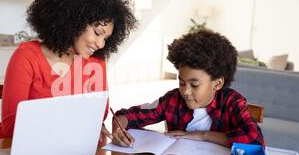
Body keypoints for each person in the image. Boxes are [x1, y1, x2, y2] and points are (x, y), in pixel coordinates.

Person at [0, 0, 137, 141]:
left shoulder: (95, 61)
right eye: (97, 32)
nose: (101, 44)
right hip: (12, 150)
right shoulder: (27, 57)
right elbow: (12, 127)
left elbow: (98, 115)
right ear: (74, 21)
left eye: (106, 38)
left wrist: (100, 127)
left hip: (67, 148)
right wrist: (79, 125)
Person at [111, 29, 265, 147]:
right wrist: (119, 130)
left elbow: (254, 138)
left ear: (217, 84)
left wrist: (204, 135)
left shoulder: (232, 102)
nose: (185, 91)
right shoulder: (172, 100)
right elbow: (127, 116)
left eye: (195, 84)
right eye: (181, 82)